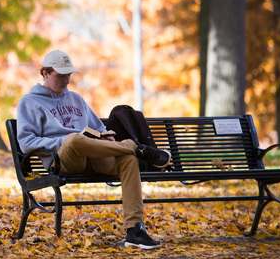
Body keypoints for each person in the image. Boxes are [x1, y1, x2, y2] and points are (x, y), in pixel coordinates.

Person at [16, 50, 170, 250]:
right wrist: (65, 140)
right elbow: (26, 143)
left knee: (128, 159)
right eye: (61, 75)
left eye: (69, 75)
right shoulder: (29, 102)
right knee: (74, 139)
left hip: (94, 156)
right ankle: (135, 147)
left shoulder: (77, 99)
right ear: (45, 73)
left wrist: (105, 137)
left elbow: (99, 129)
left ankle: (135, 230)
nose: (66, 80)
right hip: (65, 160)